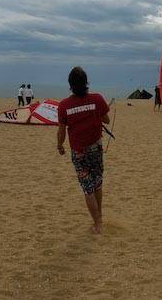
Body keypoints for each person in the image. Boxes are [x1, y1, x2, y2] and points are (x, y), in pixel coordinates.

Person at [57, 67, 110, 234]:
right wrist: (95, 114)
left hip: (79, 153)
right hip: (96, 149)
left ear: (70, 85)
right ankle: (100, 217)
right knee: (97, 183)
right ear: (86, 82)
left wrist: (59, 145)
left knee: (88, 188)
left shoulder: (64, 105)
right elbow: (107, 120)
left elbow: (61, 131)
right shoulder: (97, 99)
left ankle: (97, 223)